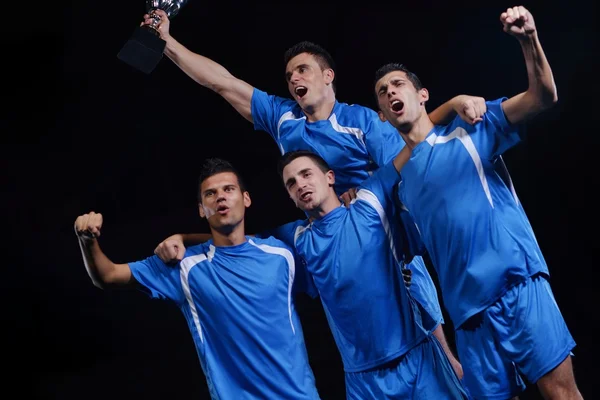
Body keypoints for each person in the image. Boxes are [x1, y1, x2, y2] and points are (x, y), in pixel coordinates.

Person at [142, 9, 488, 374]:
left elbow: (406, 169)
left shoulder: (361, 122)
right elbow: (222, 82)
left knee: (442, 360)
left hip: (381, 240)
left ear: (328, 76)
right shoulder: (283, 118)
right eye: (289, 75)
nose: (293, 79)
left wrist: (368, 200)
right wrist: (167, 42)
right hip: (331, 244)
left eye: (302, 70)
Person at [374, 6, 582, 400]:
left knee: (561, 394)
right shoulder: (400, 189)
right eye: (382, 93)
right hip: (469, 317)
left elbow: (543, 97)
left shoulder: (470, 128)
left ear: (421, 95)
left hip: (517, 286)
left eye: (397, 84)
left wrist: (528, 39)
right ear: (382, 115)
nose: (390, 93)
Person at [74, 158, 321, 400]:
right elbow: (107, 275)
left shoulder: (282, 254)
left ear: (246, 199)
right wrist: (87, 241)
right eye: (210, 194)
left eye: (229, 189)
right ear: (202, 209)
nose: (221, 197)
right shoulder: (184, 266)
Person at [271, 148, 468, 398]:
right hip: (364, 382)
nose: (300, 184)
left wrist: (453, 106)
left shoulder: (370, 200)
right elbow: (235, 242)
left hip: (417, 360)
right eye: (291, 183)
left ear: (330, 177)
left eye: (306, 174)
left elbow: (412, 145)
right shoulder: (296, 239)